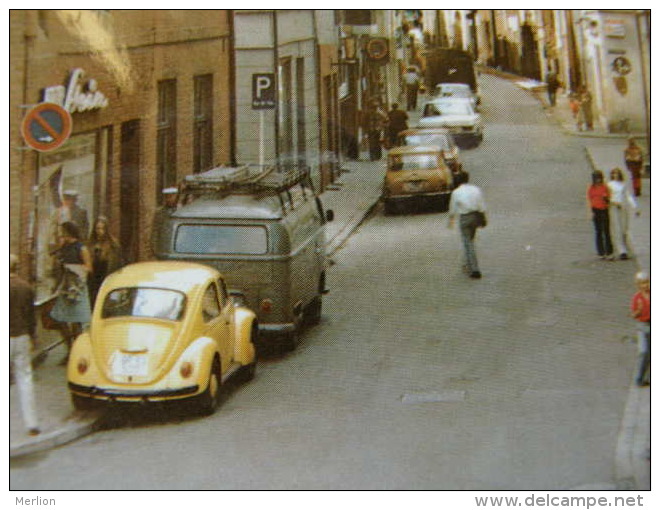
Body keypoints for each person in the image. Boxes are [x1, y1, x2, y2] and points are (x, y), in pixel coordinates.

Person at [50, 221, 93, 364]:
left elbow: (89, 267)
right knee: (60, 319)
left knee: (76, 321)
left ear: (69, 232)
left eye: (63, 231)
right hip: (64, 286)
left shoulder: (81, 248)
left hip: (76, 287)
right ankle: (70, 348)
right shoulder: (64, 247)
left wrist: (73, 269)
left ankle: (76, 351)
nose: (61, 234)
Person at [10, 254, 41, 436]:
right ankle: (32, 423)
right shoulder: (26, 288)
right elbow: (31, 316)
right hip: (22, 336)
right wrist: (33, 337)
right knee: (25, 378)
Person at [448, 170, 486, 279]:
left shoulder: (456, 192)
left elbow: (453, 209)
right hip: (475, 217)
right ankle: (466, 263)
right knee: (470, 241)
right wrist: (483, 218)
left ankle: (474, 269)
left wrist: (451, 220)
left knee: (468, 243)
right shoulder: (475, 189)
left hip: (464, 218)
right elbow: (481, 205)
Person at [87, 216, 123, 307]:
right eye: (98, 228)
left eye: (102, 228)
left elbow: (117, 263)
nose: (100, 231)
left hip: (106, 274)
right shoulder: (90, 243)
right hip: (93, 277)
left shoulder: (113, 244)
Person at [607, 168, 639, 260]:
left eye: (617, 174)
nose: (615, 176)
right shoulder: (609, 185)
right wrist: (613, 203)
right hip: (614, 207)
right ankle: (621, 250)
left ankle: (625, 247)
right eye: (614, 174)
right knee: (617, 228)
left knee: (624, 228)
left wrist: (635, 207)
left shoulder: (623, 185)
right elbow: (607, 197)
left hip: (623, 207)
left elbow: (628, 196)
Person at [586, 170, 614, 260]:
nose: (598, 180)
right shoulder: (591, 188)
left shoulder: (605, 187)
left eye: (599, 178)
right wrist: (591, 212)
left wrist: (606, 199)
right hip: (596, 210)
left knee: (606, 231)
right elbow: (590, 199)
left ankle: (609, 251)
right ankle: (601, 252)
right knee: (598, 231)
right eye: (596, 178)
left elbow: (609, 198)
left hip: (604, 209)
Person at [630, 271, 650, 387]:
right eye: (642, 283)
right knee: (644, 351)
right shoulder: (636, 298)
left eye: (647, 282)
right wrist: (639, 310)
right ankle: (640, 378)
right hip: (643, 326)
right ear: (638, 285)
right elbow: (633, 315)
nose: (645, 285)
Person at [151, 187, 180, 252]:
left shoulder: (182, 210)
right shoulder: (160, 212)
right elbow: (155, 231)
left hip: (178, 246)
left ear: (176, 196)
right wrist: (154, 249)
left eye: (172, 196)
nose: (169, 199)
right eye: (167, 197)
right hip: (164, 246)